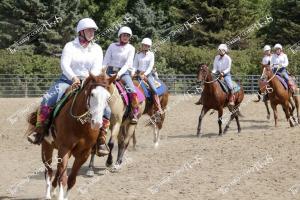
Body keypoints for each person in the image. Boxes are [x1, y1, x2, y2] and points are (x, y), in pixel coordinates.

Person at [27, 18, 110, 156]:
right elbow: (64, 65)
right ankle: (39, 131)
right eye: (89, 30)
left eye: (93, 30)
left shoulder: (97, 49)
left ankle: (101, 139)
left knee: (107, 108)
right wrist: (74, 78)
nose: (92, 33)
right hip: (68, 79)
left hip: (89, 82)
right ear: (81, 31)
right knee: (48, 99)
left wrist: (87, 81)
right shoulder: (70, 46)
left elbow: (96, 68)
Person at [103, 26, 140, 123]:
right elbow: (106, 60)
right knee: (98, 87)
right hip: (109, 72)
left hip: (123, 73)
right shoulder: (112, 46)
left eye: (127, 36)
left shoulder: (131, 48)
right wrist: (102, 71)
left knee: (131, 88)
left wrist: (119, 74)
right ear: (120, 36)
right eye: (124, 35)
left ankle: (134, 111)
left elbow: (128, 63)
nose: (125, 37)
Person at [133, 38, 163, 113]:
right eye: (144, 45)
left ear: (149, 47)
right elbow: (135, 65)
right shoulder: (138, 54)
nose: (145, 47)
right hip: (138, 73)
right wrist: (133, 72)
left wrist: (144, 74)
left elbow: (150, 66)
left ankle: (158, 106)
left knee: (153, 89)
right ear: (142, 45)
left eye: (147, 46)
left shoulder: (151, 54)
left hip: (148, 74)